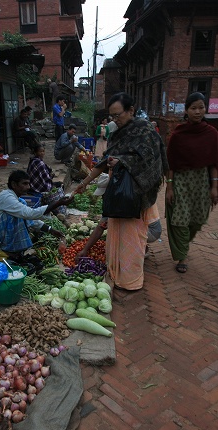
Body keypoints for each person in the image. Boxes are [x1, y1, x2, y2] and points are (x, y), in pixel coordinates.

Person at [75, 92, 168, 291]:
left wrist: (123, 162)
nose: (115, 120)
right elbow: (103, 162)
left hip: (136, 193)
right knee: (116, 236)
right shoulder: (116, 134)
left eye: (118, 115)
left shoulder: (145, 130)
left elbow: (151, 161)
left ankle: (131, 281)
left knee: (133, 240)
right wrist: (85, 182)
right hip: (118, 191)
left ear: (131, 110)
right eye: (112, 116)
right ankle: (115, 274)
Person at [165, 92, 218, 273]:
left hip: (202, 182)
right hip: (181, 181)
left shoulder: (212, 134)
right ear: (186, 111)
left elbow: (214, 163)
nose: (197, 111)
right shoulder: (178, 135)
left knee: (197, 220)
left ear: (205, 109)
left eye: (201, 107)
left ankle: (183, 245)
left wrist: (215, 187)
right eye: (193, 108)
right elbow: (171, 163)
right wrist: (169, 187)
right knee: (180, 219)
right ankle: (181, 257)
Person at [0, 170, 73, 261]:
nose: (28, 187)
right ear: (14, 185)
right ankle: (7, 249)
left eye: (28, 184)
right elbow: (29, 214)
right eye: (24, 184)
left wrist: (50, 230)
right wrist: (59, 203)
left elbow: (30, 218)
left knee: (22, 207)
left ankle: (11, 249)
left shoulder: (17, 199)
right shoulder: (7, 198)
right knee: (18, 215)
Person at [74, 174, 162, 262]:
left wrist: (85, 249)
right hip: (148, 228)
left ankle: (139, 252)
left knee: (118, 229)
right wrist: (85, 249)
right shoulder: (125, 191)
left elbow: (100, 228)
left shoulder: (122, 199)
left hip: (152, 231)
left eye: (104, 194)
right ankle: (141, 246)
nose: (102, 197)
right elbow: (101, 226)